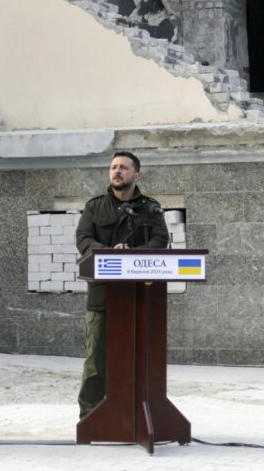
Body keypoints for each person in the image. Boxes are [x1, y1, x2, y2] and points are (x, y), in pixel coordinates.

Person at [75, 150, 169, 419]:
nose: (117, 171)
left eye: (124, 168)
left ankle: (138, 415)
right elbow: (83, 239)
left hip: (140, 297)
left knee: (140, 360)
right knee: (96, 363)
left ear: (136, 175)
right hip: (102, 298)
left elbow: (160, 240)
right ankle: (91, 418)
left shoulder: (150, 208)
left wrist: (133, 253)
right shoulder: (95, 207)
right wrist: (107, 252)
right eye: (113, 167)